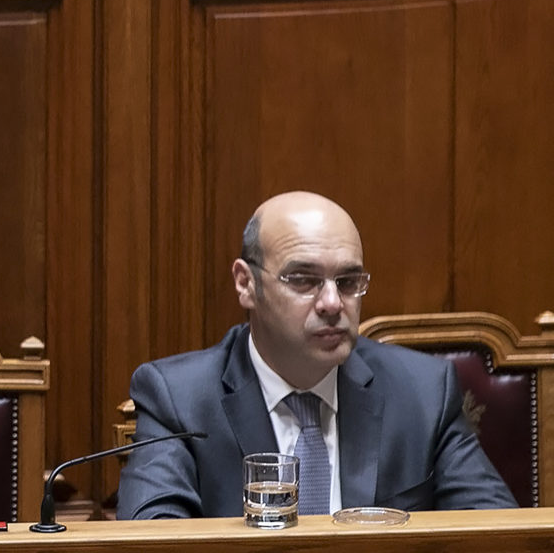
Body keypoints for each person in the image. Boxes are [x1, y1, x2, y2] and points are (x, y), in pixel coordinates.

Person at [118, 191, 513, 519]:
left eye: (348, 282)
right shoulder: (178, 398)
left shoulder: (423, 393)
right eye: (303, 279)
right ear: (246, 284)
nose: (331, 302)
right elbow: (151, 548)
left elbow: (495, 535)